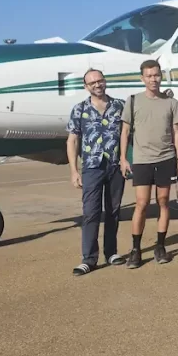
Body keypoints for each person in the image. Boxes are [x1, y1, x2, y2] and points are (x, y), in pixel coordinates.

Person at [119, 59, 178, 268]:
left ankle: (160, 245)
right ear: (142, 78)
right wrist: (123, 157)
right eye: (149, 76)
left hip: (166, 158)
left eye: (156, 75)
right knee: (142, 203)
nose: (153, 79)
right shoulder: (132, 101)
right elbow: (125, 131)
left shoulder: (171, 103)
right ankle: (136, 249)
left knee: (164, 201)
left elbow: (176, 132)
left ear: (161, 76)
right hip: (142, 160)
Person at [66, 68, 127, 276]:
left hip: (115, 165)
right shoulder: (79, 109)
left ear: (105, 81)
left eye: (100, 81)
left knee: (113, 211)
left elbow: (129, 134)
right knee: (91, 212)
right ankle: (89, 258)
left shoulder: (120, 106)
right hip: (92, 167)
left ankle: (111, 252)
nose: (97, 85)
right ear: (86, 86)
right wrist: (74, 171)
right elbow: (72, 140)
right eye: (92, 83)